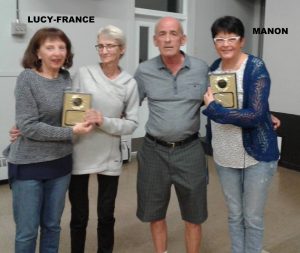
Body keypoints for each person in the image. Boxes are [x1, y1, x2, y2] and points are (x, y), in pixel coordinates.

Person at [3, 28, 93, 253]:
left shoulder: (66, 78)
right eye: (50, 47)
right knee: (27, 231)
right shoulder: (27, 78)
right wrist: (71, 133)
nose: (57, 52)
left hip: (60, 163)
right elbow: (29, 126)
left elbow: (66, 117)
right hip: (28, 166)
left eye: (62, 47)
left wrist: (87, 119)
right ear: (37, 52)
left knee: (52, 226)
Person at [203, 16, 280, 253]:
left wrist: (215, 110)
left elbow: (254, 115)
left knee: (252, 218)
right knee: (234, 215)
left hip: (256, 153)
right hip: (225, 155)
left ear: (242, 40)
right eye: (219, 39)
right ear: (214, 42)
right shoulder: (213, 68)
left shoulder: (256, 67)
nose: (225, 44)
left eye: (231, 38)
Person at [134, 17, 208, 253]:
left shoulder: (201, 68)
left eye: (173, 33)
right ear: (155, 40)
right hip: (154, 151)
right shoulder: (144, 70)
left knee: (194, 215)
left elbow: (225, 99)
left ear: (182, 38)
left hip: (190, 150)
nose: (167, 39)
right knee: (155, 213)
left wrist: (263, 115)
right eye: (162, 34)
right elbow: (126, 103)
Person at [68, 25, 139, 253]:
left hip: (109, 154)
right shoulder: (84, 73)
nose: (104, 50)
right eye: (100, 45)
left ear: (122, 49)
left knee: (106, 214)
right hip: (80, 150)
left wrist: (104, 120)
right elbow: (69, 110)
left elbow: (132, 124)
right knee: (78, 215)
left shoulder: (129, 83)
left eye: (110, 45)